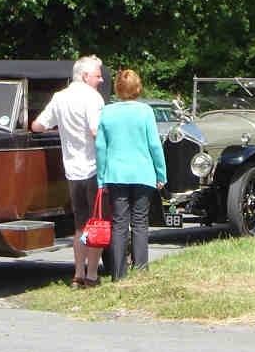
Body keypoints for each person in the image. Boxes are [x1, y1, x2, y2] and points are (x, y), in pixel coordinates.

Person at [32, 55, 106, 288]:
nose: (101, 80)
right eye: (97, 75)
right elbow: (95, 131)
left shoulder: (60, 98)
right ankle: (92, 275)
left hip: (71, 169)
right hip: (93, 168)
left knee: (80, 224)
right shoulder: (93, 98)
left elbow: (38, 125)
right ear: (85, 76)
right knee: (96, 224)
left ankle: (77, 274)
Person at [95, 69, 166, 282]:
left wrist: (101, 178)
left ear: (117, 88)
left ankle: (118, 274)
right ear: (138, 88)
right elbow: (154, 145)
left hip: (116, 174)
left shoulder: (107, 112)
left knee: (118, 223)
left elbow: (100, 147)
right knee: (140, 222)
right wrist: (161, 173)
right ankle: (141, 269)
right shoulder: (145, 111)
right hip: (143, 173)